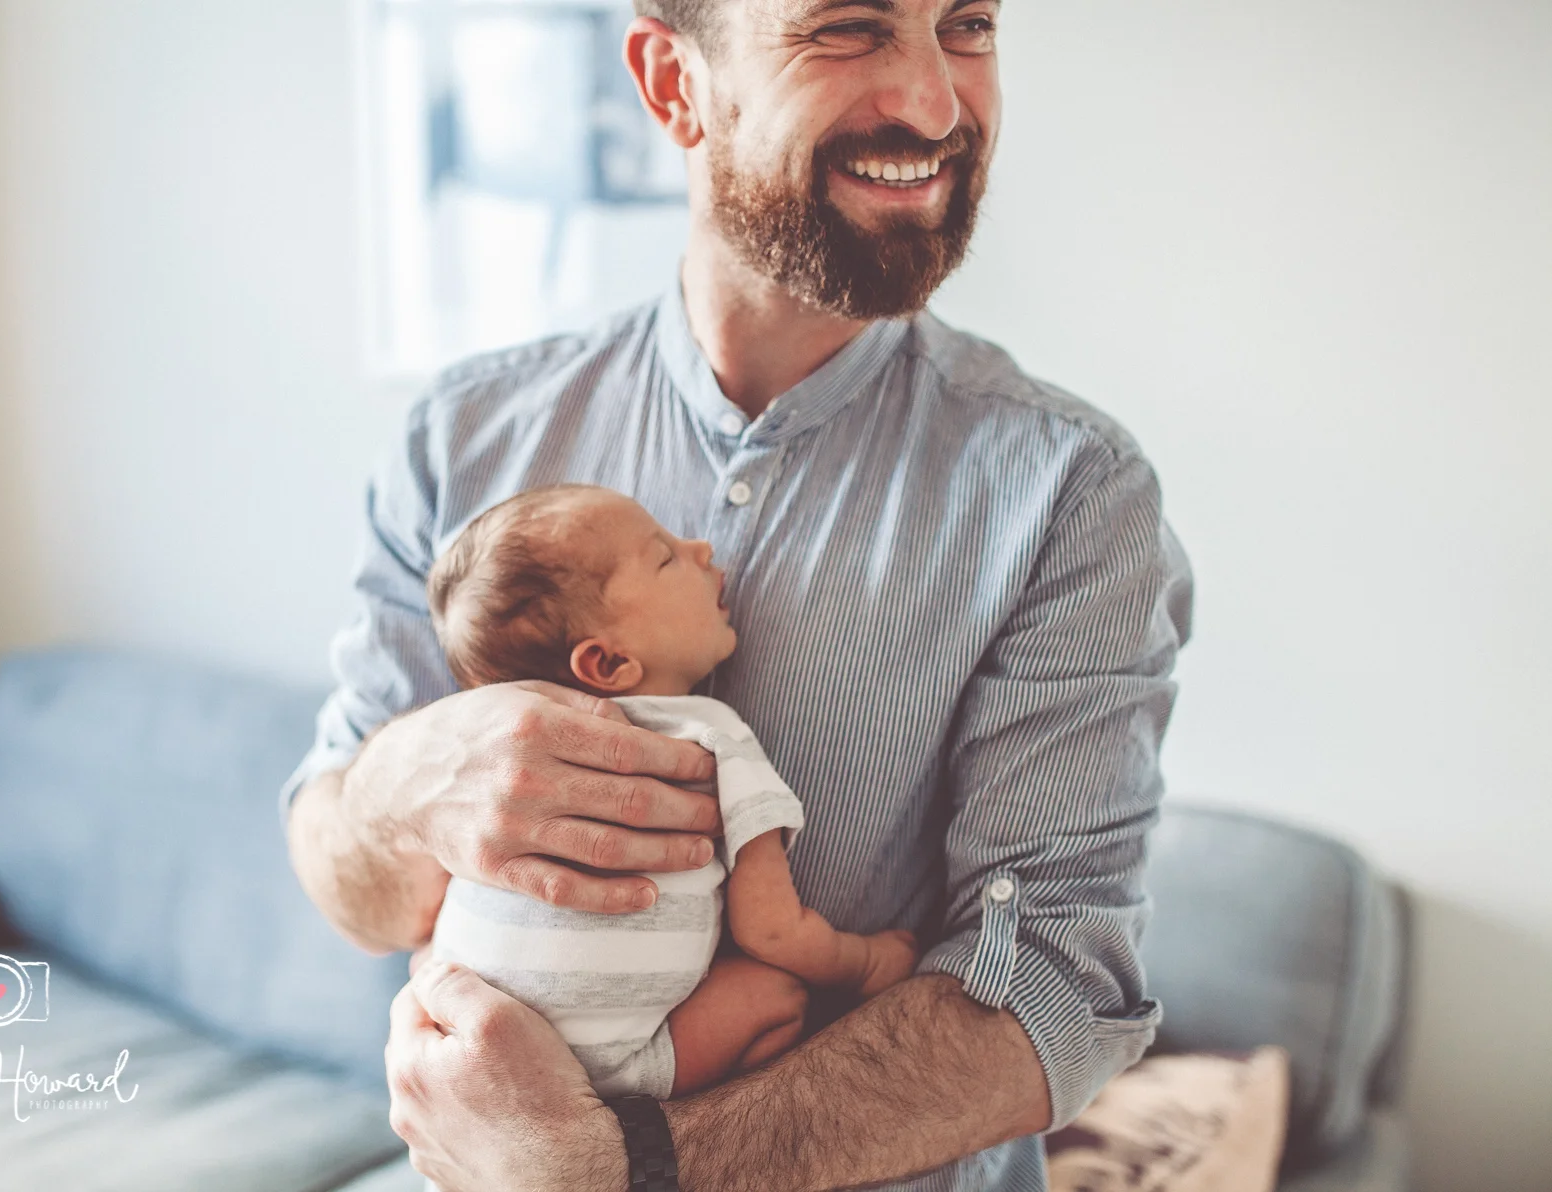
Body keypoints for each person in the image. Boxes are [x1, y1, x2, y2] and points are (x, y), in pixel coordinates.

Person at [282, 0, 1195, 1185]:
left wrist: (628, 1168)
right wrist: (404, 783)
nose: (933, 102)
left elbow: (1059, 988)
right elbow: (348, 878)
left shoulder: (1071, 492)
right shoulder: (459, 441)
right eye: (849, 28)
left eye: (967, 25)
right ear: (673, 84)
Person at [422, 483, 921, 1100]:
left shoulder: (503, 755)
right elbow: (772, 930)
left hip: (463, 1044)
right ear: (606, 665)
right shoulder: (708, 740)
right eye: (665, 555)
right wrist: (868, 963)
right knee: (776, 996)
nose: (702, 548)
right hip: (607, 1071)